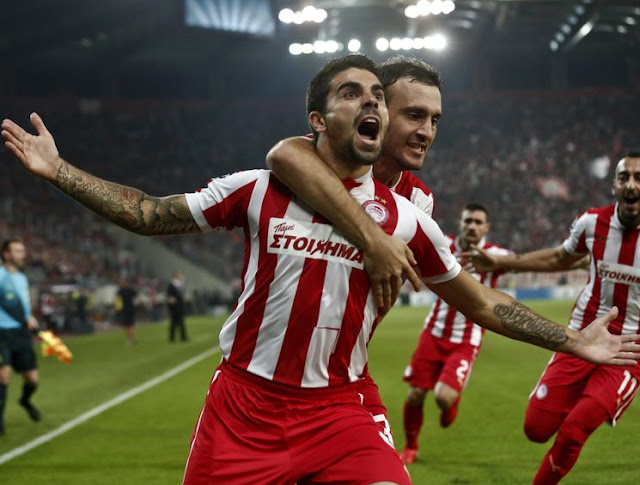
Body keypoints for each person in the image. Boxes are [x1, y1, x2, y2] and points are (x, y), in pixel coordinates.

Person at [2, 56, 639, 484]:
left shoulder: (412, 218)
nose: (376, 107)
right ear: (318, 119)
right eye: (351, 94)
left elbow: (478, 300)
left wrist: (572, 338)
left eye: (379, 99)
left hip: (339, 410)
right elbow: (147, 212)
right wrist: (59, 171)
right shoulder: (257, 188)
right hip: (243, 408)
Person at [266, 56, 442, 442]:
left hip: (341, 377)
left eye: (434, 120)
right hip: (263, 378)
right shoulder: (311, 161)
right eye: (413, 115)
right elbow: (283, 154)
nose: (426, 131)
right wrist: (372, 238)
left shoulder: (417, 201)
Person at [464, 151, 640, 484]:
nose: (632, 184)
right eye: (624, 177)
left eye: (639, 178)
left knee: (574, 431)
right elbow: (559, 258)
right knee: (536, 428)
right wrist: (502, 263)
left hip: (628, 351)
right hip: (581, 337)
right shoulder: (592, 223)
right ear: (614, 186)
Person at [400, 203, 511, 464]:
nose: (472, 226)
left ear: (486, 227)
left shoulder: (494, 255)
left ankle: (450, 403)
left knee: (442, 397)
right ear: (460, 223)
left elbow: (522, 262)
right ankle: (410, 447)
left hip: (466, 339)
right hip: (434, 331)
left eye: (477, 222)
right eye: (468, 221)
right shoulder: (444, 244)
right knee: (415, 394)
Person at [0, 239, 41, 435]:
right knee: (3, 374)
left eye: (23, 250)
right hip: (1, 333)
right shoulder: (0, 276)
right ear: (6, 254)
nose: (22, 254)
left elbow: (23, 305)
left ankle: (24, 400)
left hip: (21, 333)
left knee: (32, 379)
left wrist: (30, 317)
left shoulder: (22, 278)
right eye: (17, 251)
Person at [166, 271, 188, 342]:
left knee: (176, 323)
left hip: (178, 306)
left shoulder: (177, 284)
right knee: (176, 323)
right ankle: (181, 337)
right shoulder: (171, 285)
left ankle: (176, 338)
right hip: (175, 307)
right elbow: (169, 296)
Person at [116, 278, 137, 344]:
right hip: (131, 309)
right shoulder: (131, 289)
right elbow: (135, 295)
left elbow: (117, 300)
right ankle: (132, 338)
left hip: (125, 310)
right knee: (131, 324)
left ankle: (130, 339)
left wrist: (117, 308)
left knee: (127, 325)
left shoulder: (121, 291)